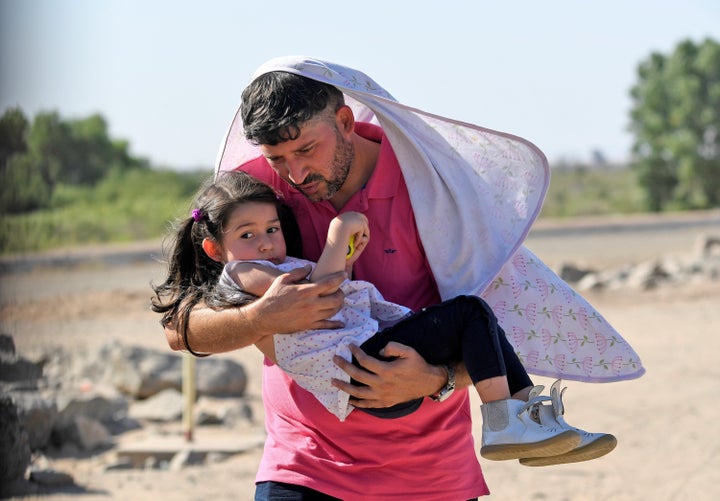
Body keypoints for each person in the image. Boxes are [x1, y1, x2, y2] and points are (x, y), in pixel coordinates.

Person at [163, 57, 642, 500]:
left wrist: (435, 381)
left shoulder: (436, 188)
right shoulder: (256, 196)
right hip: (305, 464)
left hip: (432, 473)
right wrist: (257, 318)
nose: (295, 172)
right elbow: (180, 327)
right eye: (278, 157)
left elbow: (492, 332)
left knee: (473, 316)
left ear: (346, 122)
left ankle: (519, 419)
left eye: (307, 149)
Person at [152, 171, 602, 466]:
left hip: (374, 368)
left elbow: (333, 283)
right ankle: (505, 422)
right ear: (215, 248)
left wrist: (344, 256)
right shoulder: (243, 271)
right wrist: (338, 233)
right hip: (361, 367)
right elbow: (323, 297)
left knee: (482, 323)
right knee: (468, 312)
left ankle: (531, 421)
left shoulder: (278, 263)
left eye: (271, 229)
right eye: (247, 234)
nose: (267, 242)